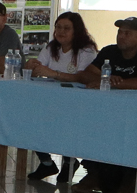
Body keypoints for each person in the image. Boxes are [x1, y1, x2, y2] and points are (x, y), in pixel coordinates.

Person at [24, 11, 99, 179]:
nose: (61, 32)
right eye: (58, 27)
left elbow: (83, 77)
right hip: (50, 98)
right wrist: (30, 66)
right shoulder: (51, 47)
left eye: (67, 28)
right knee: (29, 117)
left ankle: (70, 161)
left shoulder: (86, 51)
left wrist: (53, 73)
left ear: (76, 31)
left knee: (65, 123)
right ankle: (46, 163)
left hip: (76, 101)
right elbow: (36, 70)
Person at [94, 16, 137, 90]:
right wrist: (104, 79)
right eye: (119, 32)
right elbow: (83, 75)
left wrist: (110, 82)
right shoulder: (108, 51)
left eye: (127, 33)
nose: (121, 36)